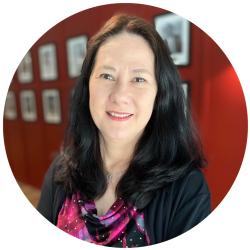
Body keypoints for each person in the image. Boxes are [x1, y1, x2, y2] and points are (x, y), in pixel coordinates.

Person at [37, 13, 211, 247]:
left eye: (138, 79)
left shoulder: (187, 190)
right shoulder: (60, 171)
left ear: (159, 94)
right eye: (107, 75)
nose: (120, 95)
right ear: (88, 86)